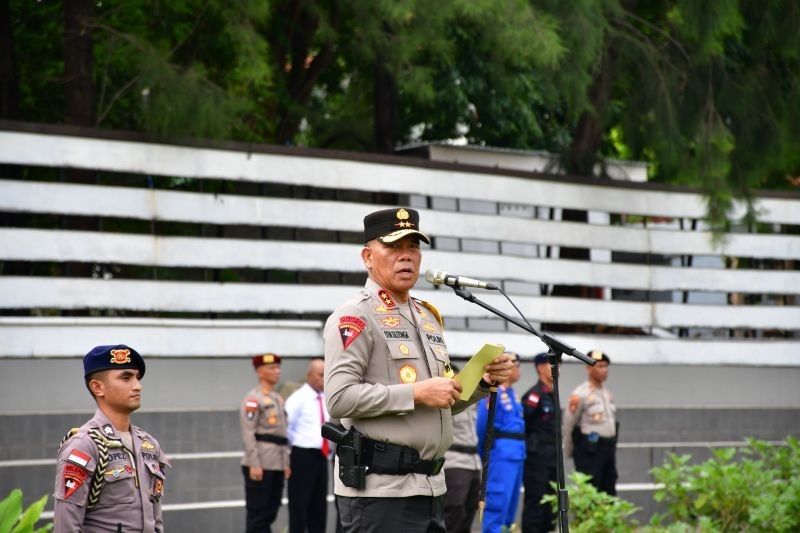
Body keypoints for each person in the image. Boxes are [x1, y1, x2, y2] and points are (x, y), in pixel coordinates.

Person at [323, 207, 514, 533]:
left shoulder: (427, 317)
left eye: (413, 247)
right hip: (381, 493)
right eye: (394, 247)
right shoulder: (355, 316)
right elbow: (339, 399)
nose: (406, 256)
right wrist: (417, 392)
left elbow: (440, 401)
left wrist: (480, 382)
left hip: (431, 487)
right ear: (368, 256)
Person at [53, 344, 169, 533]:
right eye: (126, 377)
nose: (137, 385)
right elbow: (66, 525)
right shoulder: (84, 445)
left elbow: (156, 521)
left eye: (137, 377)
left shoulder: (149, 445)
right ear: (98, 387)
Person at [240, 353, 291, 533]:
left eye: (278, 367)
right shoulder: (253, 399)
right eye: (271, 368)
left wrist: (286, 463)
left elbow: (282, 435)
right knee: (258, 516)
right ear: (259, 372)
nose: (277, 371)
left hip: (276, 463)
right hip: (261, 463)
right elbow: (248, 432)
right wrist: (255, 463)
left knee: (271, 512)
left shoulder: (277, 398)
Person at [476, 351, 524, 533]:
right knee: (497, 506)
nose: (519, 369)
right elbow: (482, 426)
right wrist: (486, 456)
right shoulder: (493, 393)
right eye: (515, 365)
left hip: (517, 455)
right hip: (501, 456)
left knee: (510, 510)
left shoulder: (513, 393)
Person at [562, 350, 618, 495]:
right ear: (588, 368)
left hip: (608, 448)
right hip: (590, 450)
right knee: (590, 491)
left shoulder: (607, 393)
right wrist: (569, 450)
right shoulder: (581, 393)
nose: (604, 370)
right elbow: (569, 423)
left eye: (606, 366)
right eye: (599, 366)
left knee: (609, 490)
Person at [285, 358, 330, 533]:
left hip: (322, 457)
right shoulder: (298, 398)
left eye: (327, 374)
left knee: (319, 508)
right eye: (320, 375)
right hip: (302, 457)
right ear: (309, 376)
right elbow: (286, 428)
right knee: (299, 507)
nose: (324, 378)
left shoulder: (326, 398)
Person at [521, 353, 559, 533]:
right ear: (540, 368)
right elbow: (524, 425)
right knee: (536, 501)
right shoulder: (534, 395)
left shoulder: (553, 394)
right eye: (551, 363)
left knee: (551, 503)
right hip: (537, 459)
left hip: (552, 458)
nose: (556, 367)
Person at [443, 401, 481, 533]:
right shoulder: (449, 392)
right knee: (454, 511)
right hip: (455, 462)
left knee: (471, 509)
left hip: (474, 462)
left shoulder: (474, 398)